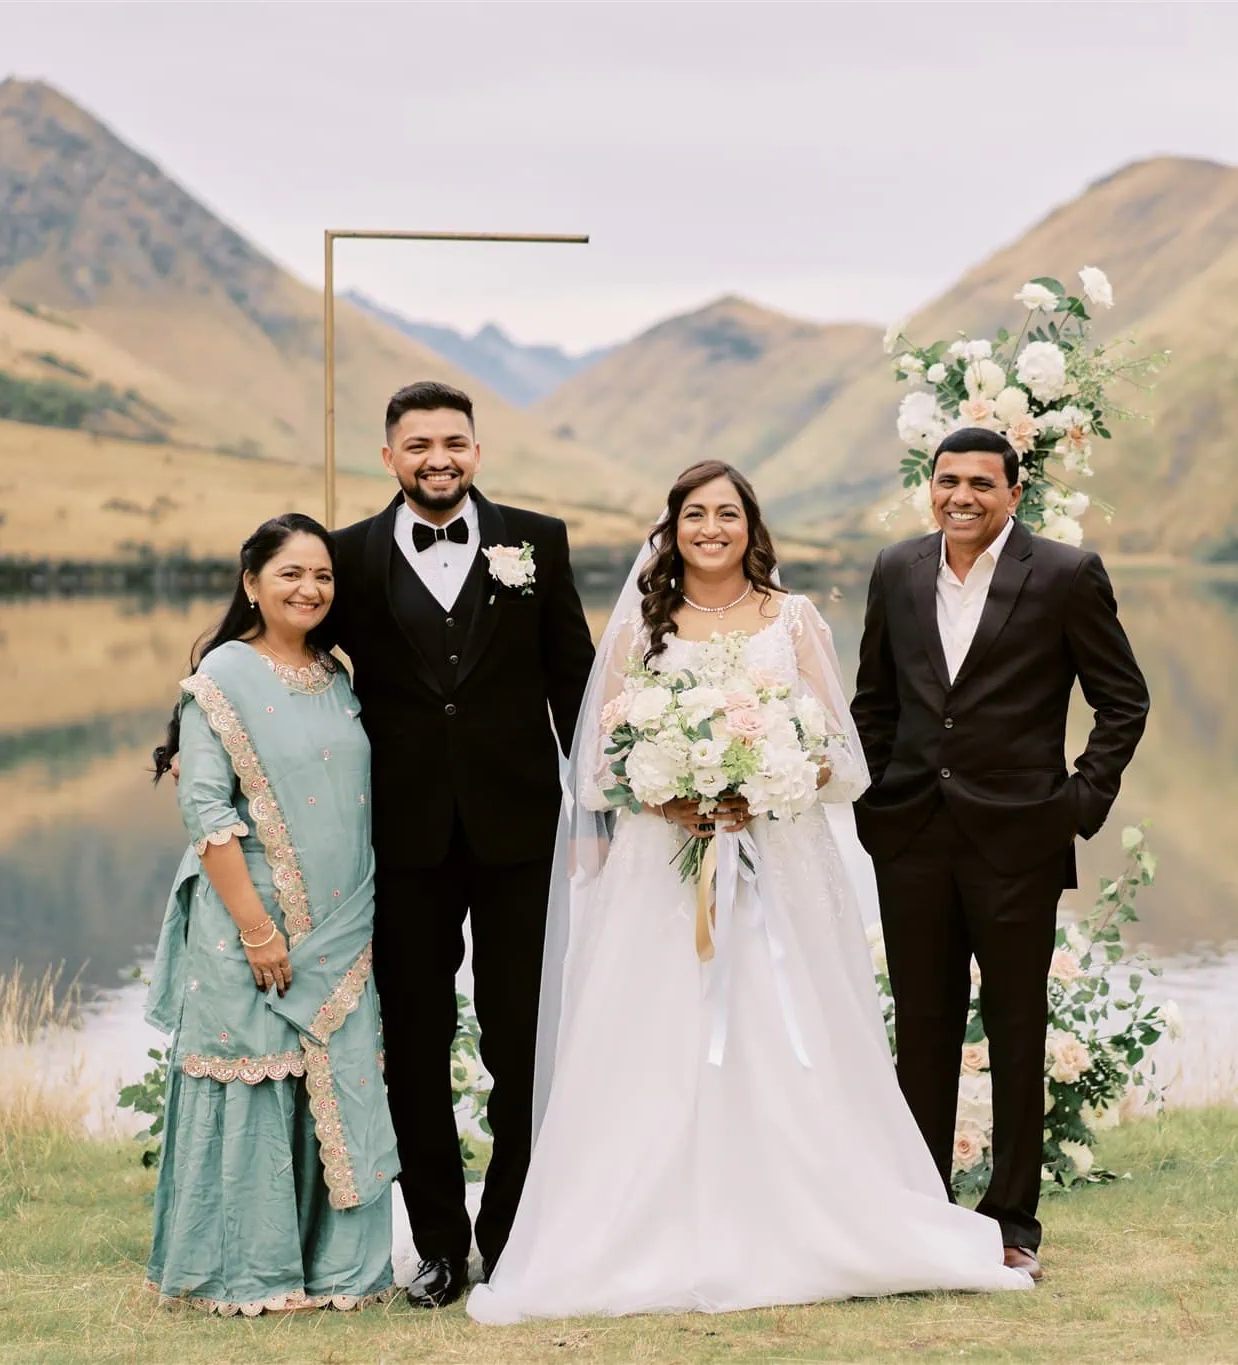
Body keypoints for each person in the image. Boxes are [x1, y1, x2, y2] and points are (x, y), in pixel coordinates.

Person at [467, 461, 1030, 1324]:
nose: (711, 529)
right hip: (662, 872)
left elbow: (845, 756)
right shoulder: (637, 632)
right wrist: (664, 789)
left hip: (773, 864)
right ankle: (643, 1225)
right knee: (656, 1037)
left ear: (751, 526)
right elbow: (599, 762)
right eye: (695, 514)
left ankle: (803, 1215)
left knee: (785, 1030)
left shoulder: (793, 619)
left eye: (727, 514)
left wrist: (765, 782)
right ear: (673, 528)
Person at [851, 425, 1150, 1283]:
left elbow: (1123, 701)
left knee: (1018, 1027)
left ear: (1014, 493)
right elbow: (875, 699)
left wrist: (1074, 806)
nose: (962, 497)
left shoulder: (1064, 574)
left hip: (1019, 838)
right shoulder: (896, 569)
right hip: (910, 835)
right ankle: (922, 1209)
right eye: (948, 481)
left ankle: (1012, 1219)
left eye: (983, 483)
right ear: (930, 486)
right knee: (924, 1029)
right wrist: (875, 800)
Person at [326, 381, 596, 1307]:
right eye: (417, 444)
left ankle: (514, 1231)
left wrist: (601, 812)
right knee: (414, 1037)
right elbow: (282, 647)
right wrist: (197, 718)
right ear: (389, 456)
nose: (436, 457)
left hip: (522, 828)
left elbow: (578, 686)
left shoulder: (539, 540)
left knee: (519, 1035)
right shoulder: (347, 557)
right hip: (398, 836)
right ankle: (438, 1242)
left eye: (453, 441)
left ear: (476, 450)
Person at [143, 512, 398, 1315]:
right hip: (252, 921)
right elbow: (208, 810)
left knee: (339, 1077)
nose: (310, 588)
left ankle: (344, 1270)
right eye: (291, 572)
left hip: (343, 918)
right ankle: (248, 1272)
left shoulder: (339, 673)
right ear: (251, 581)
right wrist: (258, 929)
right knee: (257, 1077)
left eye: (323, 574)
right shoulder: (223, 676)